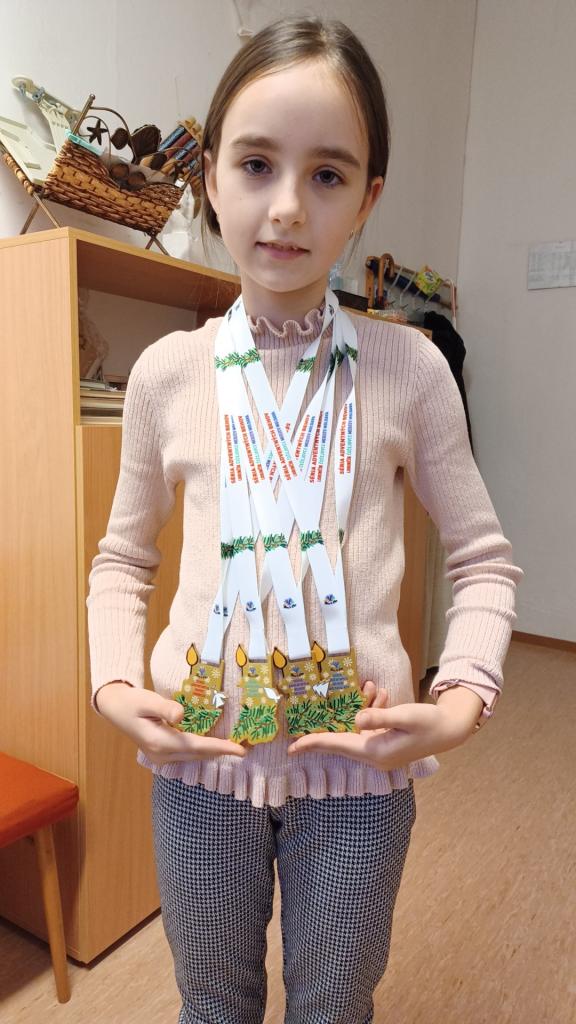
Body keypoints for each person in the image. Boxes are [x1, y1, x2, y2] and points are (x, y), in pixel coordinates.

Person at [86, 15, 524, 1024]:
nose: (286, 206)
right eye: (255, 164)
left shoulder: (411, 369)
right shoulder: (167, 374)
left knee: (334, 1004)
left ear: (368, 197)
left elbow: (484, 561)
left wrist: (462, 696)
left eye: (327, 174)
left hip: (358, 773)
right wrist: (112, 680)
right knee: (212, 1002)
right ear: (209, 176)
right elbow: (121, 559)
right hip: (201, 762)